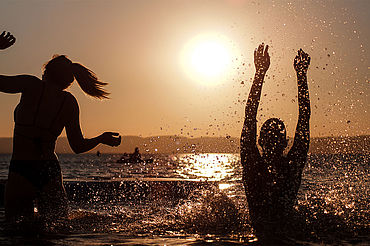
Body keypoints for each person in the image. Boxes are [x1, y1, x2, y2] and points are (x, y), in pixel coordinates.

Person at [0, 31, 121, 223]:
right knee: (58, 230)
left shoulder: (30, 85)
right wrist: (101, 139)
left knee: (16, 232)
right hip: (50, 171)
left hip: (21, 168)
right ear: (69, 82)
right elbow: (78, 146)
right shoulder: (69, 102)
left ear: (45, 72)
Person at [240, 44, 311, 235]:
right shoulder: (292, 166)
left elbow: (249, 116)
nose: (271, 141)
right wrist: (301, 77)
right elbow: (304, 118)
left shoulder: (251, 164)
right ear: (286, 142)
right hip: (288, 235)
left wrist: (260, 74)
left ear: (259, 142)